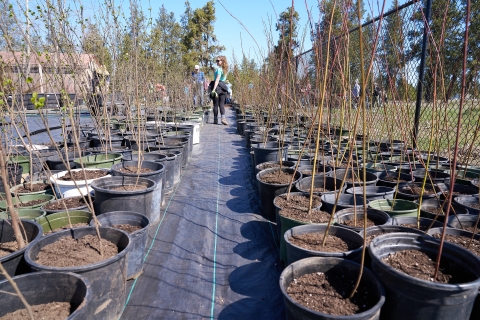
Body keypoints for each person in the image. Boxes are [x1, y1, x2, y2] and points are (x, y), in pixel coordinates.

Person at [209, 55, 229, 125]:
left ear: (222, 61)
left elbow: (217, 79)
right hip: (223, 88)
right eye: (216, 60)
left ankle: (215, 119)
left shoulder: (219, 69)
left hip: (217, 87)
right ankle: (223, 118)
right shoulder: (225, 70)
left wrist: (214, 89)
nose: (216, 62)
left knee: (215, 105)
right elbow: (223, 79)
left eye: (218, 61)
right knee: (221, 105)